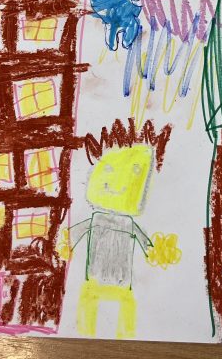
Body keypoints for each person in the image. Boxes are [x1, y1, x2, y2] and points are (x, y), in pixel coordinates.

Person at [68, 144, 157, 339]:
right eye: (108, 169)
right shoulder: (97, 219)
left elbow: (147, 246)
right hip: (96, 277)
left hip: (122, 280)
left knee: (125, 307)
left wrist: (154, 252)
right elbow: (73, 234)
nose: (117, 185)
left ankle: (126, 337)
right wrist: (65, 244)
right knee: (89, 306)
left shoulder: (128, 223)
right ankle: (85, 333)